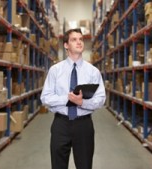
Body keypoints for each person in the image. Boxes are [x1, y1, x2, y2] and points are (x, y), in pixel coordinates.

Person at [40, 28, 106, 169]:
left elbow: (101, 98)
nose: (79, 42)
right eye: (74, 39)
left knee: (85, 165)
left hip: (84, 125)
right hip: (61, 124)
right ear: (66, 45)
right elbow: (45, 97)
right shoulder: (55, 71)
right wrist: (67, 98)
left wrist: (82, 102)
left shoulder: (93, 72)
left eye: (81, 39)